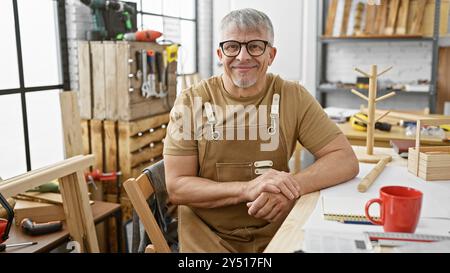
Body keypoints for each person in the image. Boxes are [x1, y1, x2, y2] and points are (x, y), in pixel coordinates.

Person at [163, 8, 359, 253]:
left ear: (271, 54)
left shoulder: (292, 96)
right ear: (220, 54)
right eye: (232, 46)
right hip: (207, 233)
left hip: (277, 228)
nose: (243, 56)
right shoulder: (191, 102)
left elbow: (345, 159)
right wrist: (246, 189)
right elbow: (177, 186)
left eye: (255, 46)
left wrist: (292, 188)